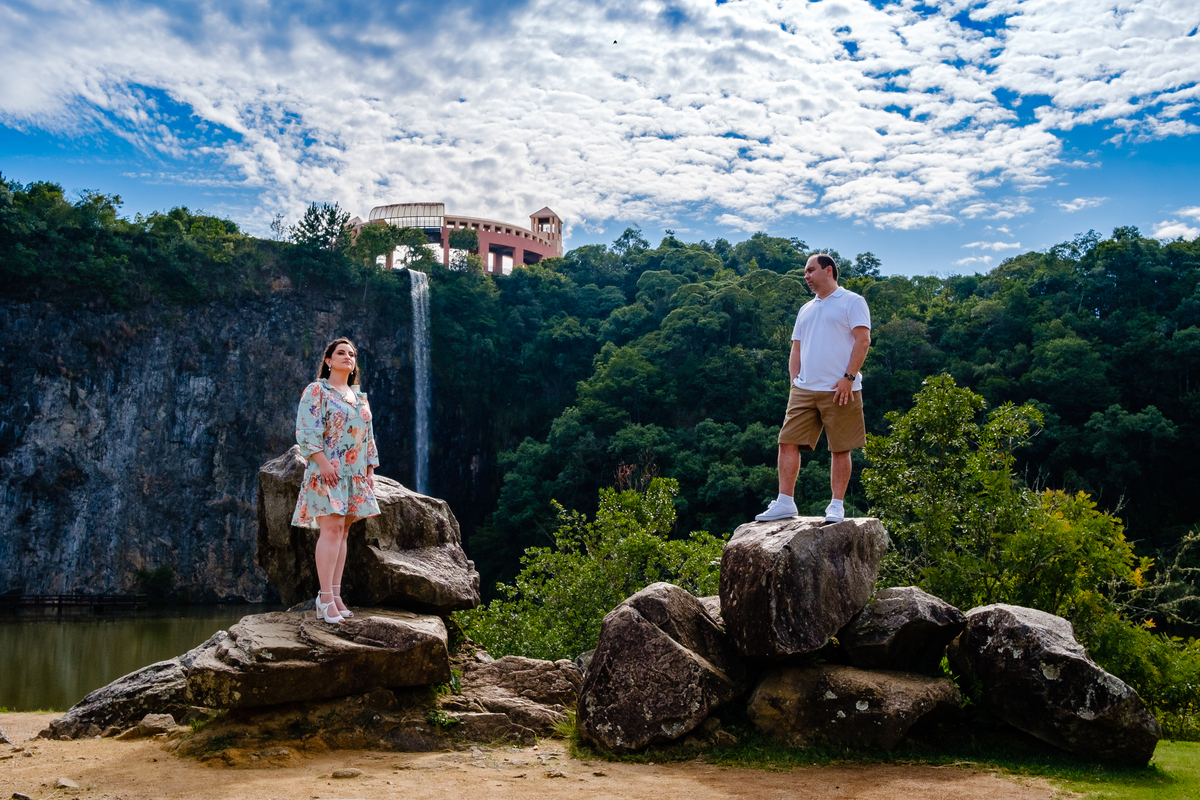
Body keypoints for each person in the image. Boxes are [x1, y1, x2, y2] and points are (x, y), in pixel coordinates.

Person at [756, 254, 871, 523]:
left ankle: (836, 506)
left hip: (840, 388)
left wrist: (849, 377)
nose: (806, 276)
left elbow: (863, 340)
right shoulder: (806, 309)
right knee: (787, 442)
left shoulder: (852, 301)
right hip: (804, 390)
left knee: (840, 448)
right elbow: (796, 345)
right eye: (805, 272)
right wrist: (794, 380)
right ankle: (785, 502)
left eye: (810, 270)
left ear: (828, 270)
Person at [292, 337, 382, 623]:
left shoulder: (359, 397)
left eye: (352, 354)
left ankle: (336, 595)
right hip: (328, 471)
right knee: (330, 531)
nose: (348, 357)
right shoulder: (317, 390)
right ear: (328, 360)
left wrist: (370, 472)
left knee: (342, 533)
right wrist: (321, 463)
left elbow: (367, 437)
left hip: (354, 474)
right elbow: (306, 429)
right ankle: (325, 600)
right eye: (341, 352)